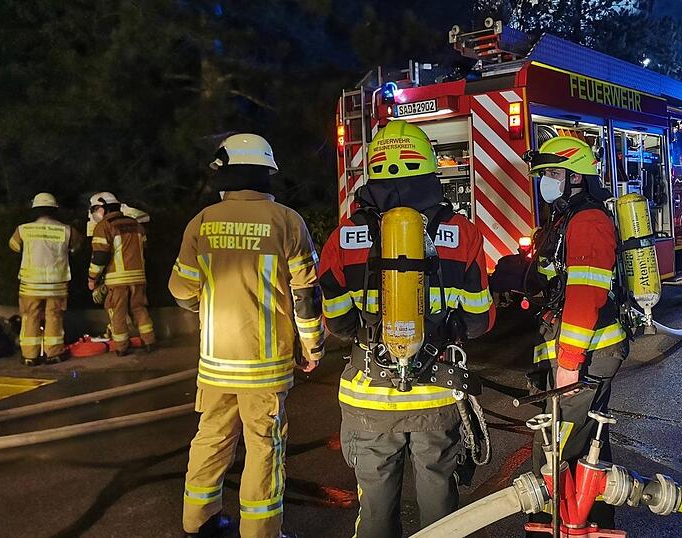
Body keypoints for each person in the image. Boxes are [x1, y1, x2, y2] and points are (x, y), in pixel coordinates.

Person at [319, 120, 495, 537]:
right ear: (431, 169)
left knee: (376, 512)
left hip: (369, 397)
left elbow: (338, 322)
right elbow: (479, 320)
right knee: (441, 508)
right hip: (435, 396)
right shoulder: (462, 233)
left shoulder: (346, 236)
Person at [169, 133, 324, 538]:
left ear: (226, 174)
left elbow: (181, 291)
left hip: (216, 364)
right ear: (267, 174)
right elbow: (306, 295)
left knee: (211, 438)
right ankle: (260, 531)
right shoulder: (288, 222)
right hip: (266, 368)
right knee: (263, 447)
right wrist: (312, 346)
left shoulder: (202, 222)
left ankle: (197, 522)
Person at [524, 136, 628, 530]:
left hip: (584, 358)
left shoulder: (587, 221)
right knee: (587, 446)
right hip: (579, 351)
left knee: (557, 450)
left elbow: (585, 297)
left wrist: (567, 365)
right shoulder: (568, 218)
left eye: (553, 173)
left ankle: (562, 526)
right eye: (544, 174)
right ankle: (590, 525)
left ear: (576, 178)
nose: (546, 182)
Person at [8, 192, 81, 366]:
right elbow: (77, 247)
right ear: (55, 210)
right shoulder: (67, 230)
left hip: (30, 285)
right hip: (56, 286)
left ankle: (29, 356)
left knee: (30, 317)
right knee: (54, 317)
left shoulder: (23, 229)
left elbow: (14, 246)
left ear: (35, 210)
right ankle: (53, 353)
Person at [87, 191, 155, 355]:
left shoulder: (103, 226)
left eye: (95, 209)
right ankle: (150, 341)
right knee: (139, 309)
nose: (94, 213)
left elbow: (100, 256)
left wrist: (92, 278)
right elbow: (143, 248)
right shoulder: (136, 224)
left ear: (104, 208)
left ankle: (122, 347)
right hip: (138, 277)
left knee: (118, 313)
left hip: (117, 279)